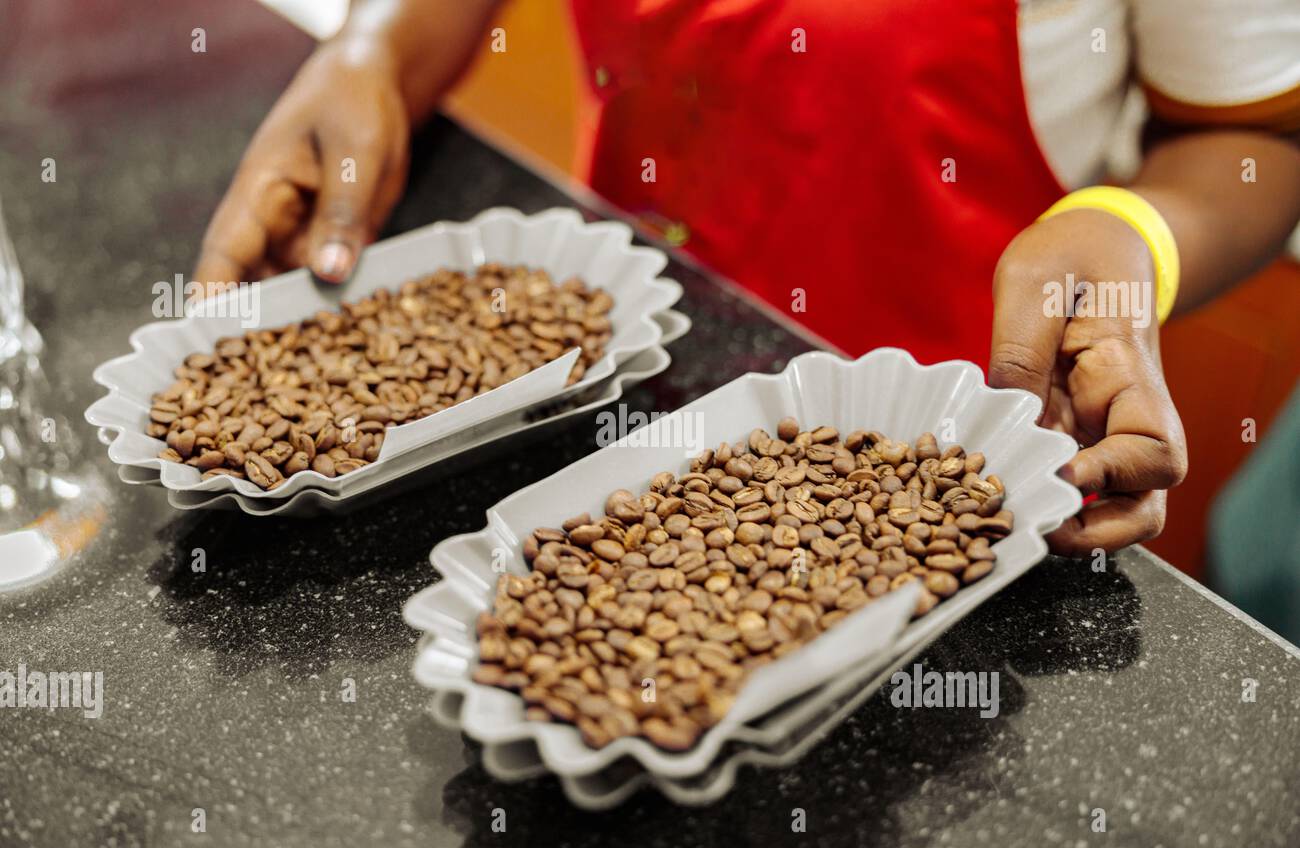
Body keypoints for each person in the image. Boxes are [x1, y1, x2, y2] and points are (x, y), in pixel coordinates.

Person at [193, 0, 1300, 558]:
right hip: (594, 385)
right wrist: (377, 52)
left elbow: (1256, 142)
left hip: (951, 460)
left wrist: (1128, 238)